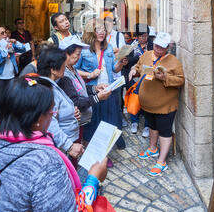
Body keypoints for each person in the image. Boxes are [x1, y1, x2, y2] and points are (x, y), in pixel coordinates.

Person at [0, 76, 108, 212]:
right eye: (52, 111)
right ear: (37, 120)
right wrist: (93, 181)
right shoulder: (45, 163)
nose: (54, 115)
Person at [129, 32, 184, 177]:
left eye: (161, 47)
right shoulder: (147, 55)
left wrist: (165, 77)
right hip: (147, 104)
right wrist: (134, 70)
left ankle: (162, 161)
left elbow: (180, 80)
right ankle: (152, 148)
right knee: (152, 126)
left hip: (165, 105)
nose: (158, 49)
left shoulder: (173, 61)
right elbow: (139, 67)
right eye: (156, 45)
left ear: (168, 48)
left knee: (164, 131)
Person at [76, 18, 128, 165]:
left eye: (103, 29)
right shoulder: (83, 49)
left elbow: (113, 69)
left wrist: (120, 63)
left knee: (107, 123)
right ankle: (91, 156)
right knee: (92, 124)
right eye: (98, 29)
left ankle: (103, 154)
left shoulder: (109, 48)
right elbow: (74, 70)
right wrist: (90, 74)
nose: (101, 32)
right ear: (91, 32)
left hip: (108, 91)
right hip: (91, 92)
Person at [57, 37, 112, 144]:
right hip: (75, 122)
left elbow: (79, 88)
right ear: (66, 54)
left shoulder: (72, 69)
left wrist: (95, 88)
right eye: (77, 54)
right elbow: (75, 101)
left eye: (80, 54)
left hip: (82, 120)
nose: (79, 57)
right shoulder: (64, 75)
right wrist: (98, 97)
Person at [36, 46, 84, 168]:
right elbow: (50, 123)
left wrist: (72, 112)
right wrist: (69, 146)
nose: (65, 66)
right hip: (60, 148)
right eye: (63, 64)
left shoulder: (51, 85)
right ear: (53, 69)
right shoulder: (48, 90)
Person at [0, 26, 27, 123]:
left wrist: (15, 42)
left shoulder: (7, 42)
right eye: (2, 33)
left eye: (5, 32)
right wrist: (5, 50)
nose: (5, 34)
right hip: (0, 76)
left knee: (11, 98)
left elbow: (23, 49)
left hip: (11, 74)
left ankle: (10, 120)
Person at [124, 23, 151, 137]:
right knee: (134, 99)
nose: (143, 38)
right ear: (137, 36)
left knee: (148, 101)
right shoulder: (131, 45)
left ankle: (147, 125)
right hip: (134, 77)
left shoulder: (152, 45)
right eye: (141, 36)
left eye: (145, 36)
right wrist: (138, 58)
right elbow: (126, 61)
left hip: (148, 77)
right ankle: (134, 122)